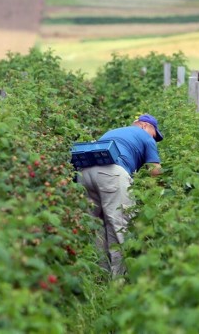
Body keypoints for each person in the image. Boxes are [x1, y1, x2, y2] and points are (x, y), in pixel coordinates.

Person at [76, 113, 163, 277]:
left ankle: (99, 275)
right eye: (155, 133)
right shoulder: (145, 136)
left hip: (84, 173)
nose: (155, 138)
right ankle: (119, 280)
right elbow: (155, 170)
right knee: (119, 224)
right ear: (145, 125)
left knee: (95, 226)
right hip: (111, 173)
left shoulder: (114, 132)